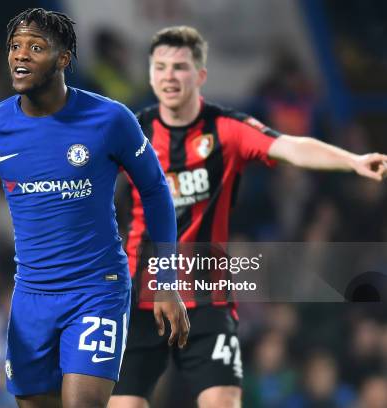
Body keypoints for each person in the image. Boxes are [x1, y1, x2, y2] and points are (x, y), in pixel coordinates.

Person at [0, 9, 189, 408]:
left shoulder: (110, 119)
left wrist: (165, 279)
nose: (20, 56)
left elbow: (155, 191)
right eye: (15, 47)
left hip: (96, 290)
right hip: (31, 298)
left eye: (35, 47)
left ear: (63, 59)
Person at [109, 26, 387, 408]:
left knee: (223, 401)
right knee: (123, 405)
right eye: (160, 67)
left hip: (208, 296)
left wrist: (351, 161)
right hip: (141, 293)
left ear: (200, 75)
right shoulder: (131, 130)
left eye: (180, 67)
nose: (169, 76)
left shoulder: (226, 128)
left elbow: (290, 147)